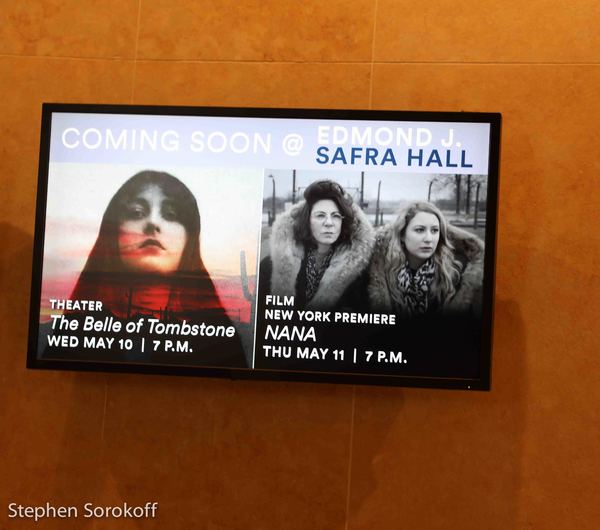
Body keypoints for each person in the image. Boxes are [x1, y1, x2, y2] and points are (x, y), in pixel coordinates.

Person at [43, 170, 247, 367]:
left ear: (189, 241)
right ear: (112, 234)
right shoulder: (76, 329)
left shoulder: (218, 337)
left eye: (170, 214)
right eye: (137, 212)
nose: (152, 223)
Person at [259, 180, 375, 310]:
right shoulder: (271, 266)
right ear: (307, 220)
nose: (329, 223)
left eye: (336, 216)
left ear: (343, 222)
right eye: (320, 215)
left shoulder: (359, 272)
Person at [368, 201, 484, 317]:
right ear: (402, 235)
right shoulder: (381, 272)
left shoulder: (456, 273)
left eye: (434, 230)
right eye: (420, 230)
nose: (429, 239)